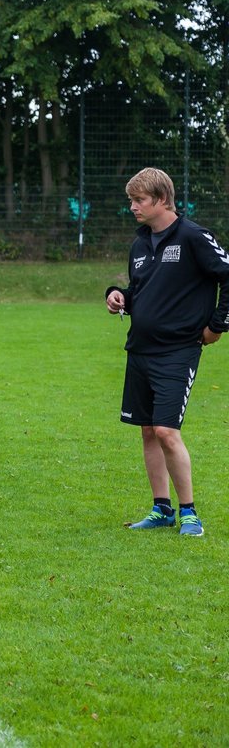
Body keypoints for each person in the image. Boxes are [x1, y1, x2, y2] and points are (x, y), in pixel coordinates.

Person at [105, 167, 229, 538]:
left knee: (166, 430)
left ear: (161, 199)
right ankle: (162, 509)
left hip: (178, 350)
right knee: (147, 430)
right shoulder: (140, 244)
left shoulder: (193, 236)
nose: (133, 207)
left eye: (138, 200)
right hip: (140, 350)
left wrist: (217, 325)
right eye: (131, 200)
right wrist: (119, 295)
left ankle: (189, 512)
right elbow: (140, 288)